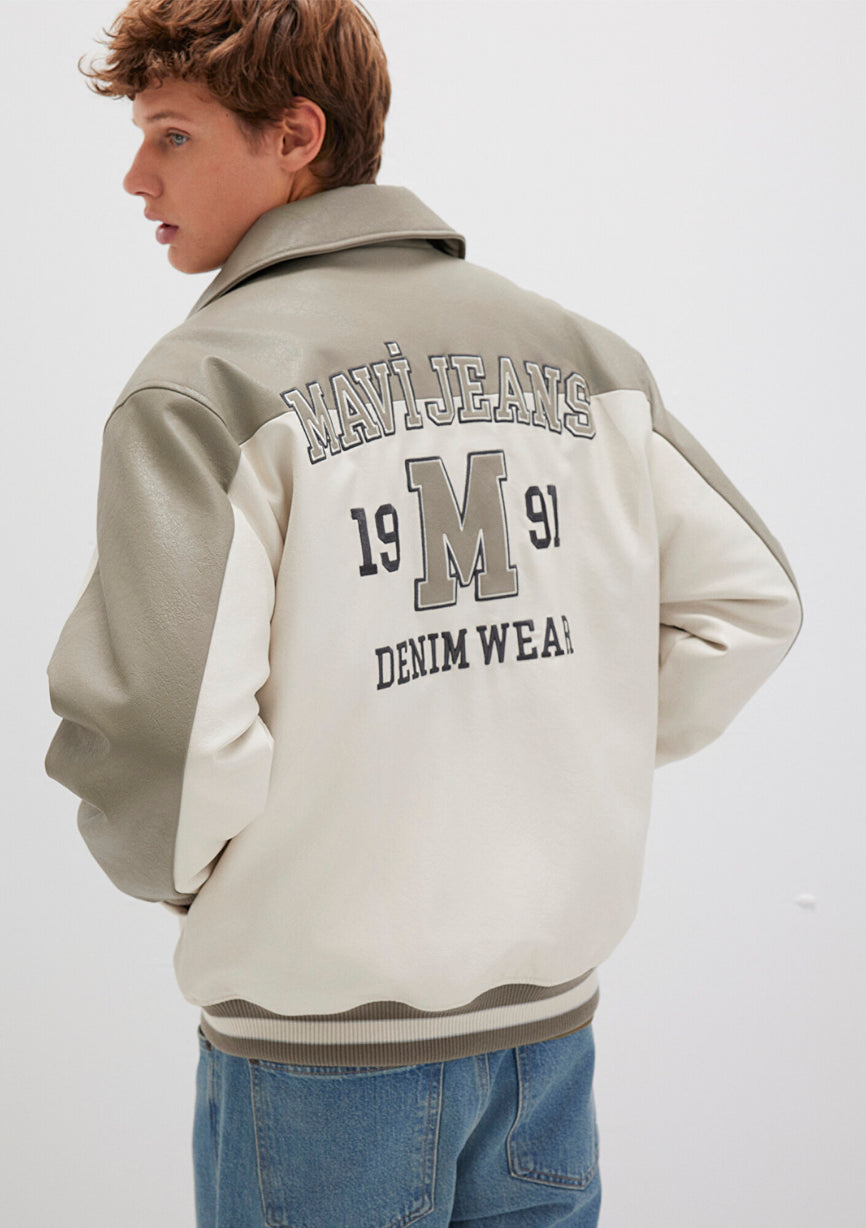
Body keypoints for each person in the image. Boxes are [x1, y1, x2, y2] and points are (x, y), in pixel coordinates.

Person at [44, 1, 803, 1224]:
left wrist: (225, 873)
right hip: (544, 1054)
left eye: (172, 135)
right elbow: (748, 605)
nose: (137, 177)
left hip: (317, 1061)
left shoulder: (204, 386)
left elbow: (161, 739)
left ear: (296, 134)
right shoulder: (579, 355)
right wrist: (556, 740)